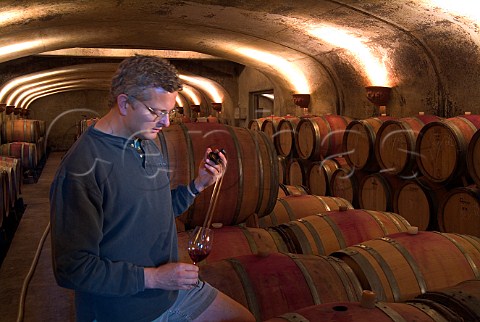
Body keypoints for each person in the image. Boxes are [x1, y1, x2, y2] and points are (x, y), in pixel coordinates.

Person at [50, 55, 255, 322]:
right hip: (124, 309)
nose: (166, 122)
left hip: (168, 291)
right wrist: (154, 278)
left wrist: (198, 185)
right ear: (124, 103)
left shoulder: (145, 141)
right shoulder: (81, 168)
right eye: (156, 112)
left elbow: (156, 207)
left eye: (168, 112)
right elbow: (72, 269)